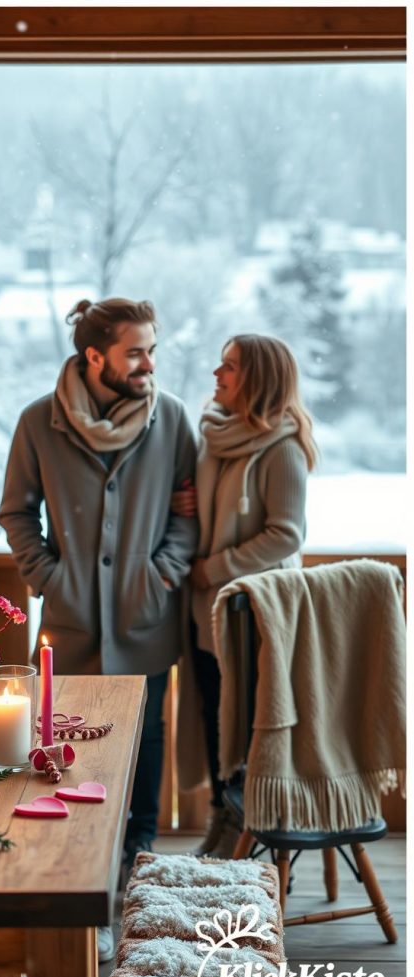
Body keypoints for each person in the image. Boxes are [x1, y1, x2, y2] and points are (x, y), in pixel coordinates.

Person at [0, 297, 198, 961]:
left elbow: (185, 516)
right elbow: (16, 513)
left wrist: (162, 571)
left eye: (151, 349)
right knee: (68, 769)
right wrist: (52, 577)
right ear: (94, 357)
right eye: (135, 351)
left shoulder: (169, 420)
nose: (149, 363)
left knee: (142, 767)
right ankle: (78, 908)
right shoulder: (38, 422)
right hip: (71, 628)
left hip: (145, 624)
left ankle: (139, 896)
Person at [173, 333, 317, 858]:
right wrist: (185, 502)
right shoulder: (214, 435)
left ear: (257, 379)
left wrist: (216, 568)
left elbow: (287, 534)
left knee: (253, 732)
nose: (217, 373)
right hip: (209, 613)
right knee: (216, 721)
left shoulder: (283, 447)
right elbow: (207, 503)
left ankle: (259, 839)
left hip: (256, 615)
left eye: (229, 367)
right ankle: (223, 820)